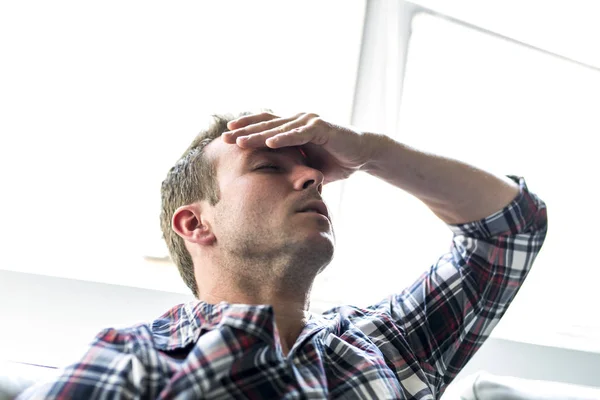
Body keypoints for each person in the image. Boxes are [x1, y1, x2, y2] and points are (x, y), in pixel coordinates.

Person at [19, 111, 547, 399]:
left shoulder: (383, 345)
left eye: (310, 168)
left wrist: (371, 152)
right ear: (196, 223)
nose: (314, 175)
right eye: (268, 169)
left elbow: (510, 228)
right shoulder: (132, 363)